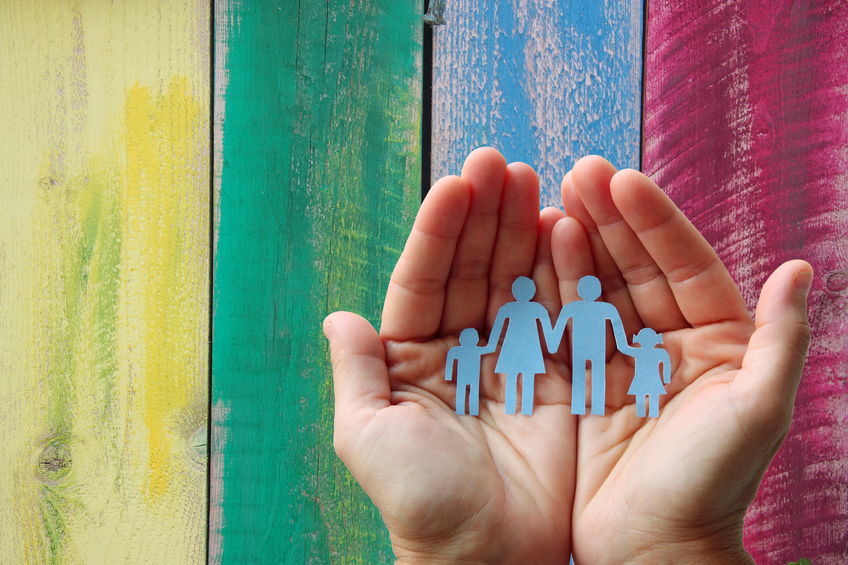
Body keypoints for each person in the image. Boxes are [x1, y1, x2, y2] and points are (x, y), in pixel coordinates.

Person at [323, 148, 812, 564]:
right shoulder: (547, 312)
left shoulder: (589, 311)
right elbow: (552, 326)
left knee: (590, 386)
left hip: (579, 358)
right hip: (547, 357)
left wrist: (676, 544)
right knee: (567, 385)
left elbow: (583, 327)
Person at [551, 274, 630, 416]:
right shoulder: (599, 308)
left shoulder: (602, 308)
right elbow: (560, 326)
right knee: (588, 375)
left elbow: (618, 328)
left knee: (590, 375)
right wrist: (624, 346)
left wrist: (553, 344)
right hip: (587, 347)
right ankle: (585, 406)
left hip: (592, 347)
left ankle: (590, 407)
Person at [487, 276, 557, 415]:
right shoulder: (533, 308)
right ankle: (519, 407)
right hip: (522, 347)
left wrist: (490, 346)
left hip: (520, 347)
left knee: (516, 376)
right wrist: (552, 345)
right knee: (523, 377)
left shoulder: (512, 308)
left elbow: (497, 329)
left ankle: (517, 407)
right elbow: (498, 327)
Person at [622, 327, 672, 418]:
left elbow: (667, 364)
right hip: (644, 380)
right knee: (644, 400)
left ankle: (650, 416)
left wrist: (667, 379)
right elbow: (667, 365)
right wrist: (666, 379)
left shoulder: (659, 353)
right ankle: (645, 415)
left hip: (648, 380)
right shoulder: (659, 353)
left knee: (649, 400)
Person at [444, 327, 492, 415]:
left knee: (468, 392)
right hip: (467, 376)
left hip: (470, 376)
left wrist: (448, 376)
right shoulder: (457, 350)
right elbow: (450, 361)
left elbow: (490, 348)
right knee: (466, 392)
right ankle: (464, 410)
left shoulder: (471, 350)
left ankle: (471, 410)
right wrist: (448, 376)